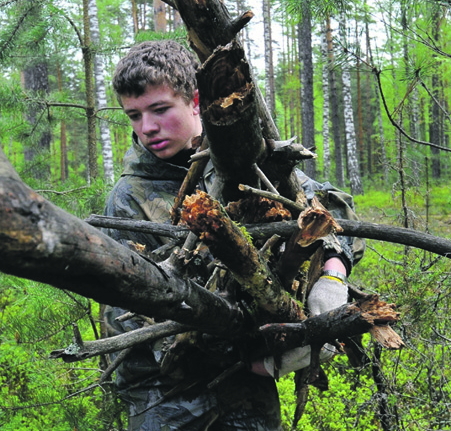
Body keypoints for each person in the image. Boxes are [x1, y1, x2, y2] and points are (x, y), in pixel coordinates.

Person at [103, 40, 364, 430]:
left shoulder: (238, 160)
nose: (147, 128)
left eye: (159, 110)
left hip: (247, 389)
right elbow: (132, 319)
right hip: (168, 397)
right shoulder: (129, 197)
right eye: (134, 116)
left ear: (195, 100)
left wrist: (332, 274)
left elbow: (332, 207)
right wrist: (255, 356)